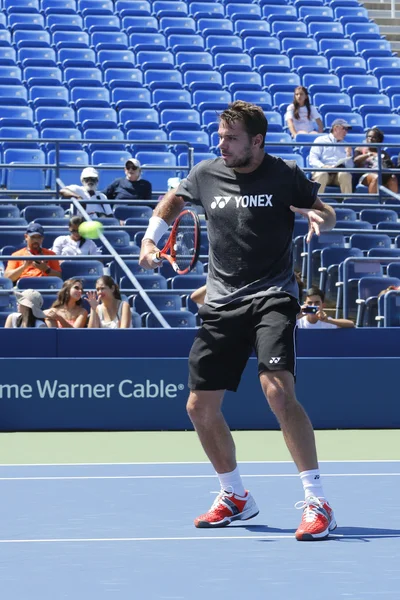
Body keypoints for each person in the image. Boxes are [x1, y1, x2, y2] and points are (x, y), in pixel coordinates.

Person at [139, 100, 337, 541]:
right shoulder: (207, 173)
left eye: (231, 138)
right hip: (222, 302)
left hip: (272, 295)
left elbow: (326, 210)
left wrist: (316, 216)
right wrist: (150, 242)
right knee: (199, 408)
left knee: (278, 392)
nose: (221, 144)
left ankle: (318, 501)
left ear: (257, 141)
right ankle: (235, 496)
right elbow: (172, 201)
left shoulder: (284, 175)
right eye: (220, 136)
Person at [308, 118, 353, 194]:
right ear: (335, 128)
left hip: (337, 175)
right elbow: (312, 159)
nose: (346, 132)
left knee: (345, 174)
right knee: (322, 174)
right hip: (323, 171)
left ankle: (348, 202)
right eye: (344, 129)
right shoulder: (320, 140)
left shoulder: (346, 145)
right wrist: (324, 166)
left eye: (347, 130)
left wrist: (348, 154)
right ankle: (316, 203)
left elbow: (350, 167)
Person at [353, 127, 398, 195]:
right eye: (369, 136)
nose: (370, 139)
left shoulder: (383, 153)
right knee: (376, 177)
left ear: (379, 140)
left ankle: (393, 203)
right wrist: (368, 155)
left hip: (382, 175)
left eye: (374, 137)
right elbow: (356, 160)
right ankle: (373, 202)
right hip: (365, 175)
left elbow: (389, 165)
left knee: (393, 178)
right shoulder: (360, 149)